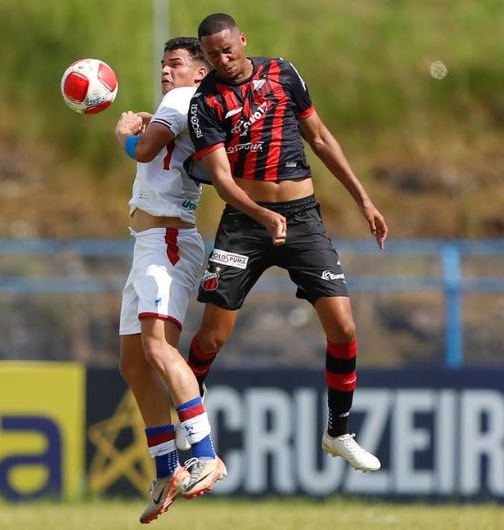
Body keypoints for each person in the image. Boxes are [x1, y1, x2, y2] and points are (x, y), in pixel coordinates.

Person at [186, 13, 388, 473]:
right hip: (244, 220)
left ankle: (338, 432)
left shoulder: (282, 73)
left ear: (242, 40)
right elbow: (220, 179)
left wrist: (364, 199)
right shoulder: (206, 103)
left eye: (228, 50)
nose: (223, 60)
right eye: (213, 55)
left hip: (301, 218)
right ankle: (187, 410)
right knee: (213, 336)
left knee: (344, 328)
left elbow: (319, 137)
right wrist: (260, 213)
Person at [113, 37, 226, 524]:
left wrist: (124, 132)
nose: (166, 72)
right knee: (134, 363)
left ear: (199, 73)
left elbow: (145, 150)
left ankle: (204, 453)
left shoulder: (182, 100)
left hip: (168, 242)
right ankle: (167, 469)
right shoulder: (181, 103)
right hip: (148, 244)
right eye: (162, 65)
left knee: (159, 350)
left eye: (176, 64)